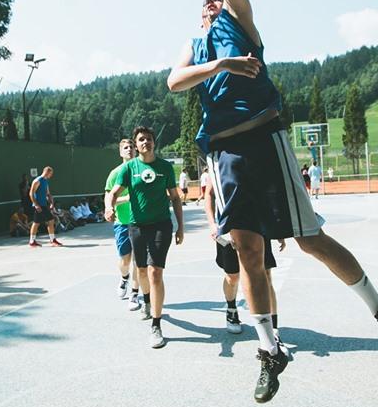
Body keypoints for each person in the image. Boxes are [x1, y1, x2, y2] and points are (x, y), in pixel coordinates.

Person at [166, 0, 378, 403]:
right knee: (248, 252)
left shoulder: (240, 22)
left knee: (309, 239)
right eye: (203, 5)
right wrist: (220, 65)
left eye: (214, 2)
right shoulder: (200, 46)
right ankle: (268, 351)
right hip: (225, 153)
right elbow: (173, 82)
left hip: (264, 140)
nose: (209, 7)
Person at [105, 126, 184, 349]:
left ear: (153, 143)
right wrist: (109, 207)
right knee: (140, 271)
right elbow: (113, 192)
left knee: (155, 272)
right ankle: (146, 302)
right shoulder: (129, 168)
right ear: (136, 144)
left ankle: (156, 325)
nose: (145, 142)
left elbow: (175, 198)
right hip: (137, 226)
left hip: (161, 225)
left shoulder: (165, 167)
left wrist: (180, 227)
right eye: (140, 139)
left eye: (148, 139)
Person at [203, 172, 285, 346]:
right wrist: (212, 223)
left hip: (258, 224)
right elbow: (209, 194)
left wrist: (277, 226)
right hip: (228, 227)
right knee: (232, 276)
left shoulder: (254, 153)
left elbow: (269, 192)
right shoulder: (218, 157)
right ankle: (231, 308)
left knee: (266, 275)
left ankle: (274, 330)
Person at [105, 138, 141, 308]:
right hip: (122, 222)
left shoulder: (142, 170)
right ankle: (124, 278)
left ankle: (135, 294)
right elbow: (109, 197)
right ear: (120, 152)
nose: (130, 150)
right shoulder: (115, 173)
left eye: (132, 147)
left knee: (138, 261)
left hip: (141, 222)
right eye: (126, 147)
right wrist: (111, 207)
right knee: (125, 261)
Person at [29, 166, 62, 247]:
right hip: (38, 206)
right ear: (47, 172)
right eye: (51, 173)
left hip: (44, 205)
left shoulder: (46, 182)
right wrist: (36, 205)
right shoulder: (37, 181)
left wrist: (51, 203)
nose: (51, 175)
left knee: (49, 221)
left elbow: (48, 194)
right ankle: (32, 241)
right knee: (37, 223)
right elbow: (31, 193)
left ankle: (52, 240)